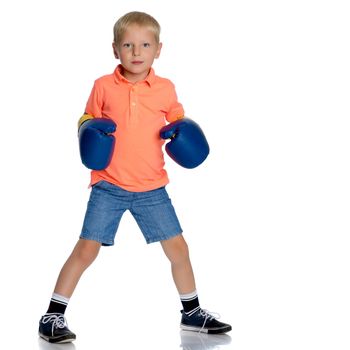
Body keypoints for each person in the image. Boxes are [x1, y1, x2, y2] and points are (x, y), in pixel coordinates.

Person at [38, 11, 231, 344]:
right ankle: (53, 314)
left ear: (159, 49)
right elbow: (86, 117)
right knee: (86, 249)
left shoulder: (165, 88)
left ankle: (192, 312)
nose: (137, 52)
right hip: (108, 184)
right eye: (128, 45)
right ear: (115, 50)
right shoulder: (102, 86)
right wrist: (86, 128)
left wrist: (183, 132)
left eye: (145, 44)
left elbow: (177, 118)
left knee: (179, 249)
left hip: (152, 186)